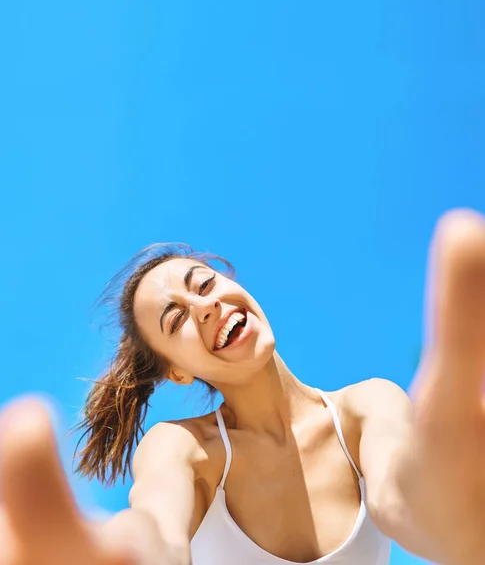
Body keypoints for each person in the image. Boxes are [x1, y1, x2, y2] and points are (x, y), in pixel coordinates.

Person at [1, 208, 484, 565]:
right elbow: (157, 529)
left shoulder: (366, 409)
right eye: (177, 319)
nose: (203, 306)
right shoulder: (187, 448)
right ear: (178, 371)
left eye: (204, 284)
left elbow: (402, 500)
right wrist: (115, 550)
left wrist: (455, 508)